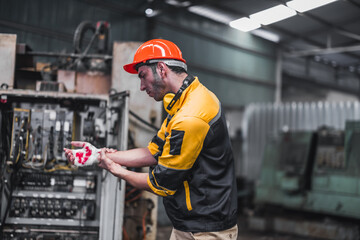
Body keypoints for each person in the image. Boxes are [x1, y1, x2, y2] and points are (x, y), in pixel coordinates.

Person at [65, 39, 238, 239]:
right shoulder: (184, 102)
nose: (141, 86)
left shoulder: (190, 116)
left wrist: (116, 170)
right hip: (189, 224)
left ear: (162, 69)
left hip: (207, 229)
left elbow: (160, 183)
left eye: (143, 76)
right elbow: (153, 152)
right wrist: (99, 155)